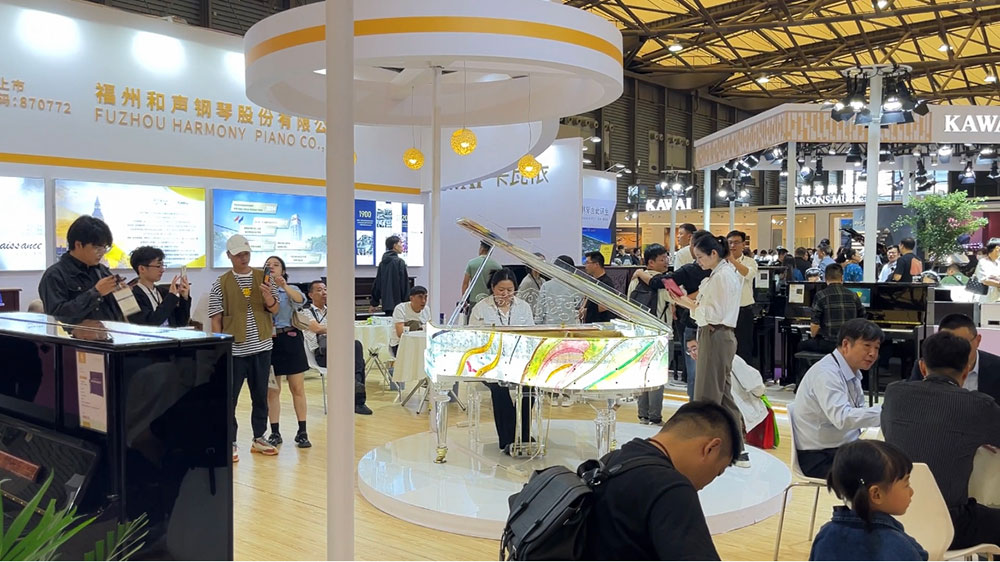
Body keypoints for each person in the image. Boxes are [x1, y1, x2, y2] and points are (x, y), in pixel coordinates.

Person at [882, 330, 1000, 551]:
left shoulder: (893, 393)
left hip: (893, 519)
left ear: (922, 366)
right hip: (951, 523)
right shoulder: (978, 405)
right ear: (966, 370)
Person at [582, 401, 741, 561]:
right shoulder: (672, 489)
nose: (704, 486)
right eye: (717, 472)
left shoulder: (609, 461)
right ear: (711, 448)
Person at [673, 234, 747, 466]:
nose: (698, 262)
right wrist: (687, 303)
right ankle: (736, 448)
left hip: (715, 334)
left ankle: (708, 448)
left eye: (700, 257)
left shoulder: (722, 276)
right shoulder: (722, 274)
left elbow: (712, 314)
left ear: (714, 253)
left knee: (708, 395)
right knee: (721, 394)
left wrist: (686, 303)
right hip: (716, 334)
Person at [209, 235, 280, 460]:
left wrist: (268, 297)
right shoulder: (221, 283)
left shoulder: (264, 278)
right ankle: (229, 440)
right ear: (229, 256)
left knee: (260, 395)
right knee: (230, 398)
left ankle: (259, 437)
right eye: (238, 254)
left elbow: (275, 310)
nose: (243, 258)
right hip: (234, 351)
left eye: (246, 253)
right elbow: (216, 319)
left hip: (262, 347)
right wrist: (219, 349)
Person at [791, 318, 883, 478]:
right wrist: (886, 413)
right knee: (882, 474)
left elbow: (857, 411)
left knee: (890, 461)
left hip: (840, 449)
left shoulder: (852, 371)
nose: (873, 353)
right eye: (867, 346)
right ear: (846, 344)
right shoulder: (827, 374)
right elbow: (842, 418)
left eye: (876, 347)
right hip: (819, 457)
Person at [809, 440, 926, 561]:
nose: (911, 491)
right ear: (876, 494)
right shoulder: (899, 546)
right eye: (906, 484)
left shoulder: (825, 535)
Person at [469, 269, 535, 452]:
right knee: (499, 388)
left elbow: (531, 335)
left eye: (510, 290)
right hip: (489, 362)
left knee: (531, 387)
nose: (505, 294)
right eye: (501, 290)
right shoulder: (481, 308)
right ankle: (508, 439)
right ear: (492, 287)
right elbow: (473, 337)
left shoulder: (523, 307)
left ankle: (523, 433)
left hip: (518, 361)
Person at [39, 215, 125, 324]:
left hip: (109, 332)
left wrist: (123, 294)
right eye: (97, 248)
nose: (102, 253)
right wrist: (96, 293)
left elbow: (118, 313)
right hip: (75, 335)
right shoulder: (54, 275)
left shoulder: (101, 270)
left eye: (105, 247)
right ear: (78, 245)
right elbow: (57, 316)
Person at [263, 255, 311, 449]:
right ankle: (275, 432)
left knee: (297, 388)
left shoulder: (291, 289)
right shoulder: (261, 290)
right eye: (268, 265)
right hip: (269, 341)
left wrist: (283, 286)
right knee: (272, 390)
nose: (272, 267)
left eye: (276, 265)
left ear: (283, 270)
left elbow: (300, 300)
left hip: (290, 338)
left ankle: (302, 431)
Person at [905, 314, 1000, 404]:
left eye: (963, 343)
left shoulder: (997, 367)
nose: (955, 350)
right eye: (947, 344)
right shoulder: (928, 365)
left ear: (978, 340)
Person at [627, 244, 669, 424]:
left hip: (639, 333)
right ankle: (655, 416)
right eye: (662, 259)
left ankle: (642, 414)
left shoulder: (635, 280)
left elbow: (629, 304)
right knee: (657, 374)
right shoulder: (664, 282)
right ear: (651, 262)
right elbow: (674, 300)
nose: (666, 262)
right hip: (659, 332)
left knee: (642, 372)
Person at [800, 263, 865, 356]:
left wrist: (813, 337)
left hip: (828, 344)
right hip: (848, 344)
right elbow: (862, 319)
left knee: (801, 345)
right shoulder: (853, 295)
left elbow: (815, 325)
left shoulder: (821, 295)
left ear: (825, 278)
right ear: (842, 278)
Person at [126, 246, 191, 327]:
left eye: (163, 266)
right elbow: (150, 323)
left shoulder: (163, 292)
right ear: (142, 268)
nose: (162, 270)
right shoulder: (130, 296)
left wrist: (184, 298)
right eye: (158, 266)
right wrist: (171, 297)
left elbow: (181, 322)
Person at [727, 231, 758, 364]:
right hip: (725, 311)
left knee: (744, 347)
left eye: (736, 242)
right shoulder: (721, 263)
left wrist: (733, 261)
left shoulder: (750, 262)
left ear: (743, 244)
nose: (732, 246)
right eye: (730, 243)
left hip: (743, 310)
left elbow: (748, 274)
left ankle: (745, 375)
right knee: (726, 347)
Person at [534, 255, 583, 326]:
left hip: (550, 325)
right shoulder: (575, 286)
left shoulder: (546, 285)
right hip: (570, 325)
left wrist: (537, 324)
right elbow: (579, 305)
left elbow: (540, 308)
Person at [370, 235, 409, 315]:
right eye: (400, 243)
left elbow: (378, 284)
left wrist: (374, 303)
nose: (402, 245)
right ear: (395, 245)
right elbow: (404, 285)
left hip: (386, 305)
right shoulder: (399, 262)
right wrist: (407, 303)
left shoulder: (382, 263)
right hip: (399, 305)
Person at [462, 241, 502, 313]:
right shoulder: (497, 266)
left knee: (473, 319)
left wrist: (464, 299)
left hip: (474, 301)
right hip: (490, 301)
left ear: (482, 249)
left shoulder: (471, 263)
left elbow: (465, 283)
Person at [389, 286, 431, 355]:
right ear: (411, 298)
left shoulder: (427, 309)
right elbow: (400, 334)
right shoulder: (400, 308)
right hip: (400, 344)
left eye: (425, 297)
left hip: (419, 343)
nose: (423, 301)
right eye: (420, 297)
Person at [582, 251, 616, 323]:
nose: (585, 266)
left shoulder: (606, 283)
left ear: (596, 264)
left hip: (600, 323)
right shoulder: (593, 280)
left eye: (587, 263)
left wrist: (587, 310)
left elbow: (604, 306)